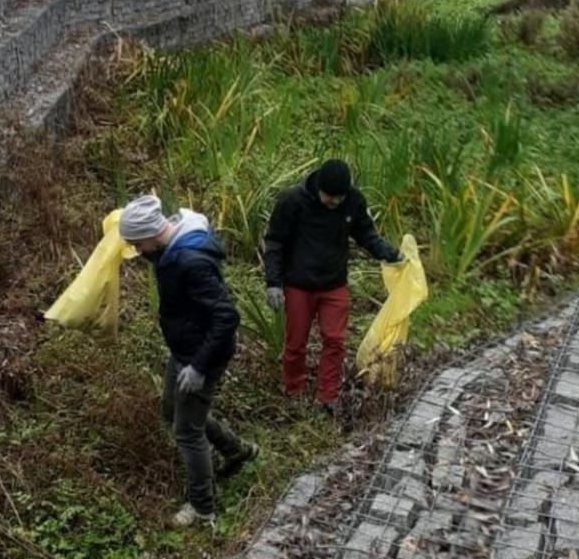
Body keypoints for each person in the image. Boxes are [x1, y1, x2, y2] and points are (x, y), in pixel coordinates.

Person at [118, 195, 258, 528]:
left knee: (188, 432)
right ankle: (235, 449)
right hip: (185, 350)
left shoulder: (189, 261)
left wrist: (198, 367)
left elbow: (226, 316)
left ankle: (202, 508)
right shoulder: (174, 246)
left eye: (138, 245)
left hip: (201, 356)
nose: (138, 252)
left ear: (152, 234)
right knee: (171, 410)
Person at [263, 159, 401, 413]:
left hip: (334, 283)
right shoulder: (292, 201)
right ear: (318, 188)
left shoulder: (353, 201)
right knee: (295, 343)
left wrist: (390, 254)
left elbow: (366, 234)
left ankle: (328, 397)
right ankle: (294, 390)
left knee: (335, 341)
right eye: (329, 197)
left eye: (339, 198)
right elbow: (275, 242)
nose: (334, 202)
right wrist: (273, 282)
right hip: (299, 284)